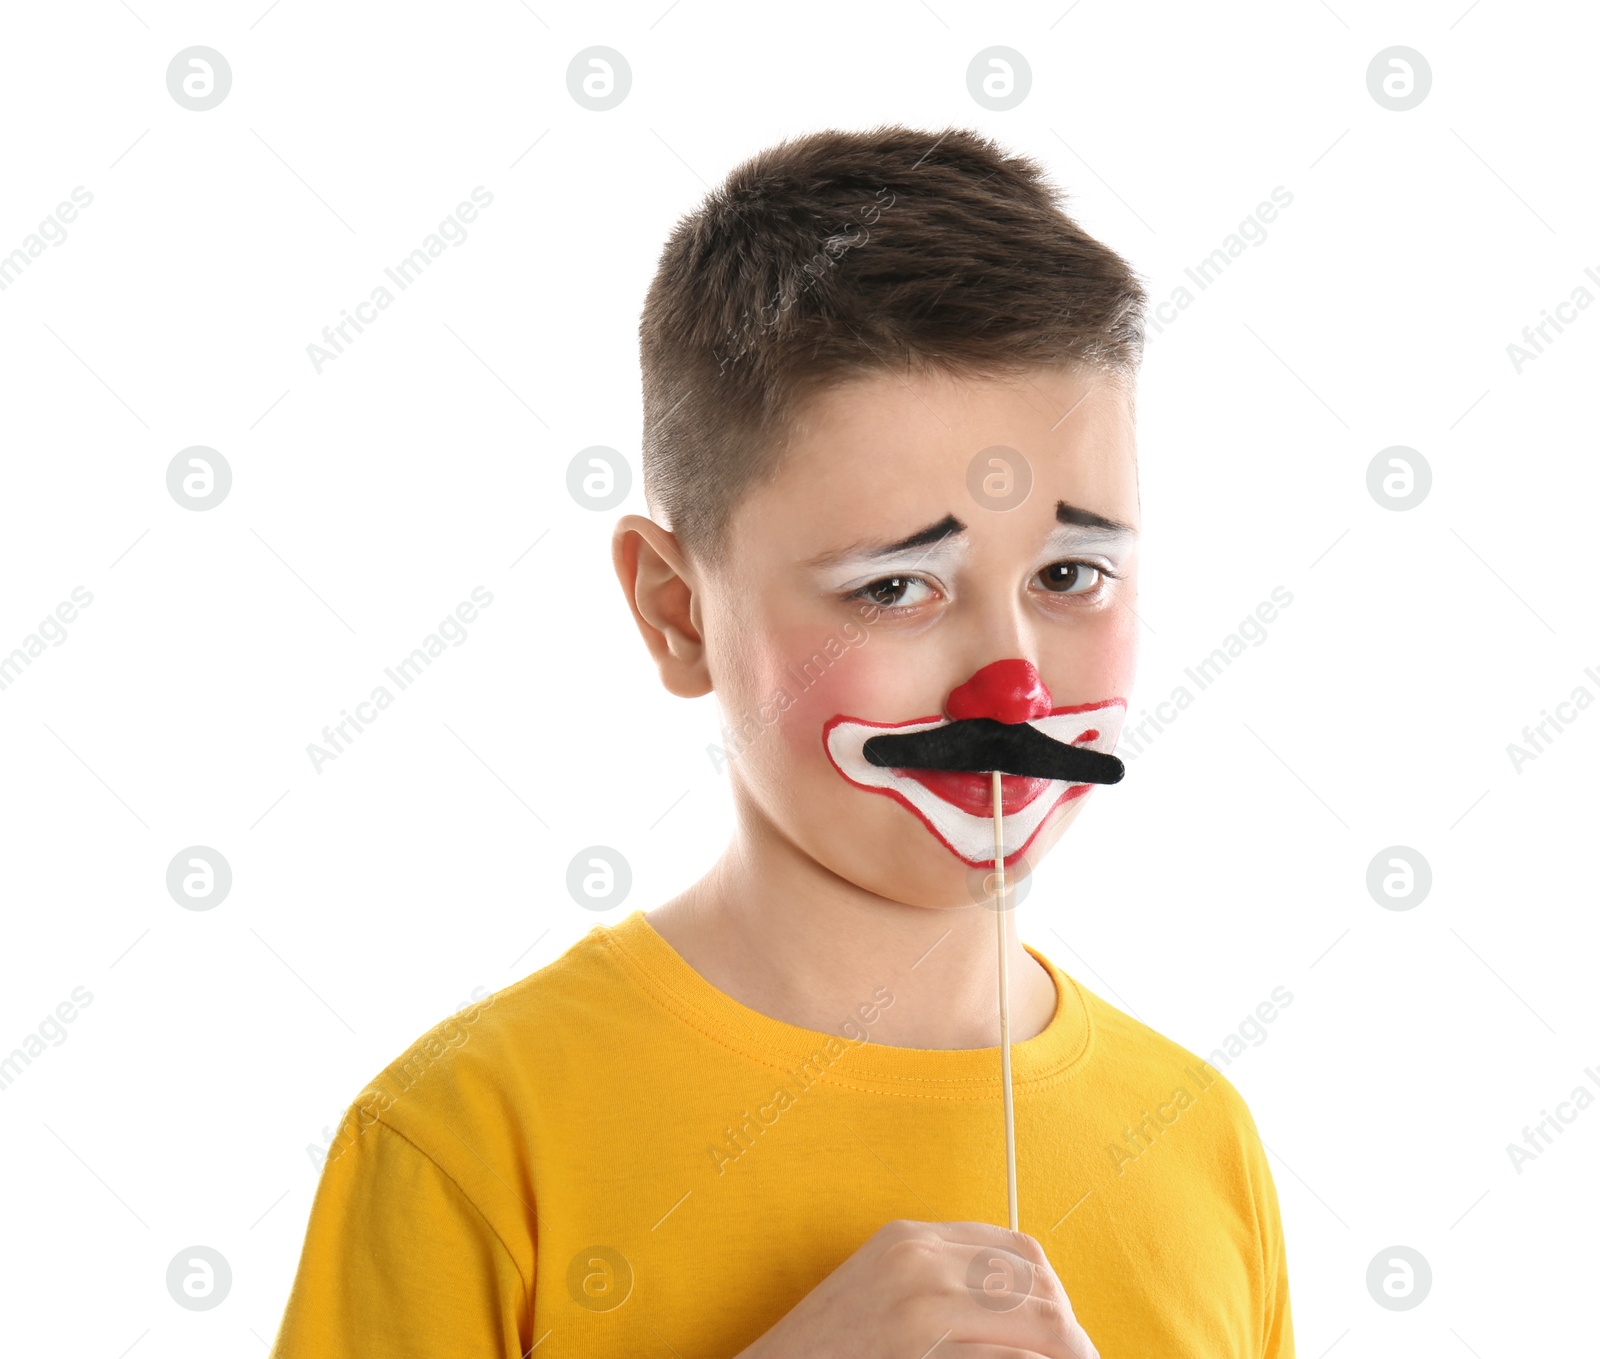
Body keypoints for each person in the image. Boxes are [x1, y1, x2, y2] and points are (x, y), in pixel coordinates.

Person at [268, 123, 1293, 1358]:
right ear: (675, 609)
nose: (1012, 685)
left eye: (1072, 572)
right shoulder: (472, 1142)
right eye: (895, 587)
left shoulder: (1198, 1140)